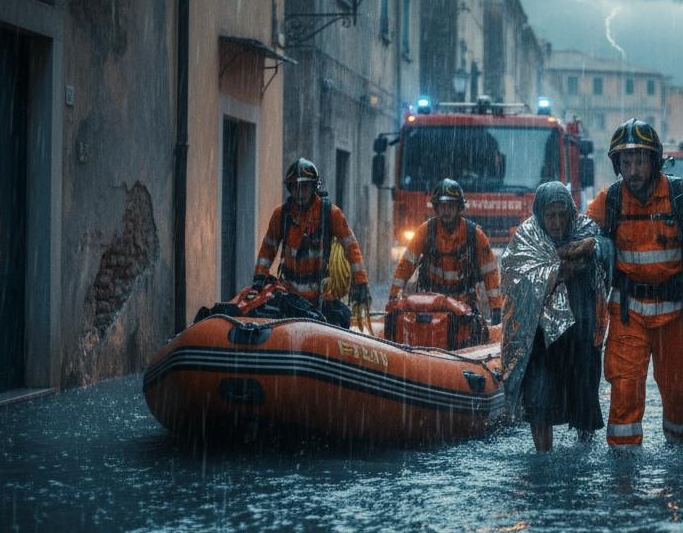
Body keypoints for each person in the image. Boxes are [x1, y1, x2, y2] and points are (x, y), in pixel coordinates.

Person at [585, 118, 683, 451]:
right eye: (627, 161)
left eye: (640, 160)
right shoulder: (608, 201)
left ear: (654, 160)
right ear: (617, 164)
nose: (634, 169)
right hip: (629, 315)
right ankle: (623, 474)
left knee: (679, 392)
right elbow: (580, 235)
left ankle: (680, 457)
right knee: (624, 388)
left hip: (677, 316)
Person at [500, 182, 609, 452]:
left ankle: (583, 453)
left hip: (580, 334)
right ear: (540, 214)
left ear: (571, 213)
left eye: (563, 215)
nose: (558, 223)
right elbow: (515, 277)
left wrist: (592, 248)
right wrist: (558, 269)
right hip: (540, 339)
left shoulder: (586, 231)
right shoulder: (527, 237)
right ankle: (543, 457)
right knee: (539, 401)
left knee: (584, 397)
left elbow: (608, 254)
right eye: (551, 216)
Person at [253, 157, 369, 328]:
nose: (300, 193)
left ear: (314, 187)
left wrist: (360, 282)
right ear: (290, 188)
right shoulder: (281, 215)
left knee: (340, 319)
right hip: (289, 296)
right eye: (296, 187)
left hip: (321, 297)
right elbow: (267, 250)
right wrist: (259, 278)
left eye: (305, 187)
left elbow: (351, 247)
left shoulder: (330, 214)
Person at [389, 178, 504, 323]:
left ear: (459, 207)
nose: (446, 211)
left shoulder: (474, 235)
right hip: (430, 305)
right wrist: (393, 298)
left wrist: (496, 308)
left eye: (451, 206)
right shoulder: (425, 232)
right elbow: (405, 266)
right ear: (436, 208)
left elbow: (490, 274)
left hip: (463, 307)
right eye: (442, 206)